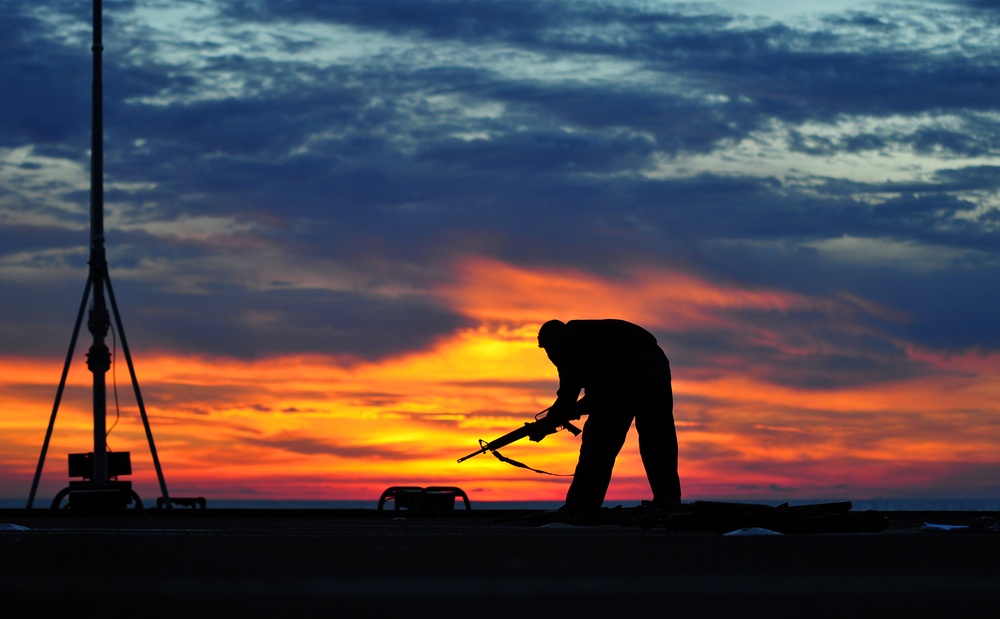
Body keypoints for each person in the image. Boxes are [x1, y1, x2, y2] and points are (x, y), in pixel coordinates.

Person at [535, 319, 681, 512]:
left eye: (550, 350)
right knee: (656, 437)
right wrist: (570, 411)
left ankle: (581, 505)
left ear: (558, 344)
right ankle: (668, 501)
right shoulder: (581, 341)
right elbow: (599, 393)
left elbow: (569, 398)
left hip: (639, 366)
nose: (551, 356)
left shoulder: (572, 348)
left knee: (601, 441)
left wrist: (545, 427)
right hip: (652, 364)